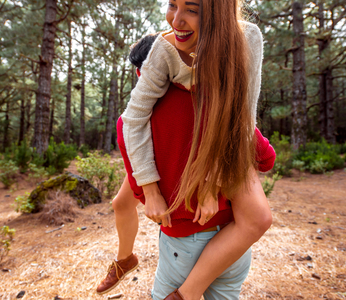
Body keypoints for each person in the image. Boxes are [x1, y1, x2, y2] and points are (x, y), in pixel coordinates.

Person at [97, 0, 273, 298]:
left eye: (191, 9)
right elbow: (132, 119)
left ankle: (145, 270)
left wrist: (211, 183)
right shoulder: (164, 52)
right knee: (121, 202)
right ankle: (124, 259)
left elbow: (244, 115)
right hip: (198, 224)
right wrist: (151, 189)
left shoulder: (247, 40)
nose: (176, 20)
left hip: (197, 226)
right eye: (171, 5)